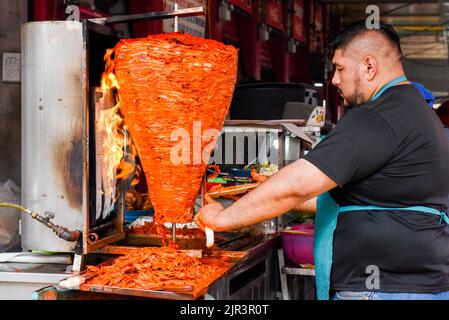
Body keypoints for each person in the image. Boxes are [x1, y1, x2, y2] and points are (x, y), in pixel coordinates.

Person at [195, 22, 449, 300]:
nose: (335, 80)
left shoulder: (378, 115)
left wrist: (222, 218)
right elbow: (349, 198)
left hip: (383, 289)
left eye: (340, 68)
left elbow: (298, 185)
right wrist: (257, 194)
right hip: (411, 285)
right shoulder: (413, 109)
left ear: (368, 66)